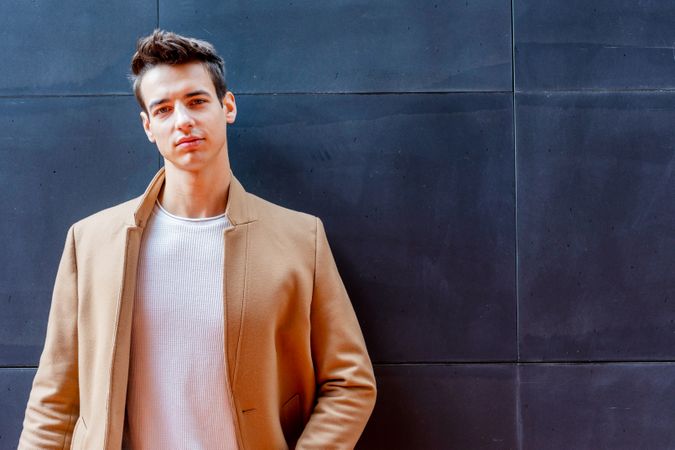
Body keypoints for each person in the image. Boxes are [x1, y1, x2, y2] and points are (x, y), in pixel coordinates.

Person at [19, 29, 376, 450]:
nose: (183, 120)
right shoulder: (92, 242)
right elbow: (54, 401)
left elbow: (350, 382)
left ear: (227, 106)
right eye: (164, 109)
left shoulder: (300, 238)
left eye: (196, 101)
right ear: (148, 126)